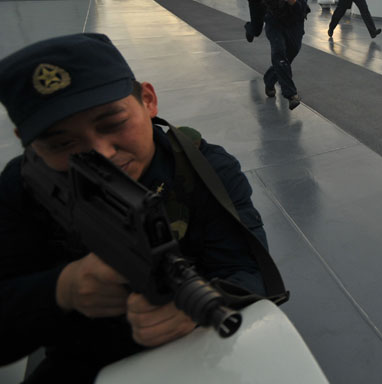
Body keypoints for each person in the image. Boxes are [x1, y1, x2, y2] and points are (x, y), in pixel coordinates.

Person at [0, 33, 272, 382]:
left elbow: (249, 269)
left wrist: (204, 303)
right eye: (63, 143)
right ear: (28, 143)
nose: (103, 154)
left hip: (197, 351)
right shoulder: (21, 188)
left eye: (113, 124)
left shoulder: (204, 169)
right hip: (84, 362)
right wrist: (61, 289)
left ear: (148, 100)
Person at [249, 0, 308, 110]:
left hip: (294, 23)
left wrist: (292, 0)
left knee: (289, 55)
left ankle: (269, 79)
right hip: (274, 21)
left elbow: (303, 5)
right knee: (279, 53)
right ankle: (291, 94)